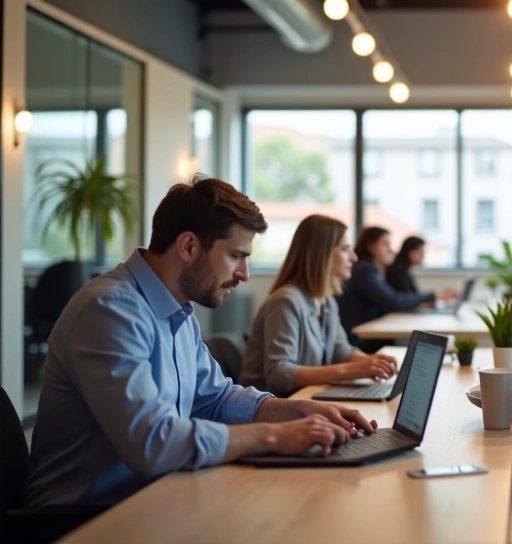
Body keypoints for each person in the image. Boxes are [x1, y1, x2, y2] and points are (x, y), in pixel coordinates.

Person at [24, 177, 377, 507]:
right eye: (236, 256)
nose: (244, 274)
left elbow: (218, 399)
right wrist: (276, 435)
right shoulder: (110, 310)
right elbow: (154, 444)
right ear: (189, 246)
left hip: (156, 498)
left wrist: (299, 410)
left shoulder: (179, 313)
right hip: (88, 519)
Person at [241, 215, 399, 397]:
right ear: (321, 254)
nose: (354, 257)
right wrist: (354, 369)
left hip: (304, 397)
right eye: (345, 249)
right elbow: (279, 373)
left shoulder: (326, 301)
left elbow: (341, 349)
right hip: (272, 407)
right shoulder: (286, 301)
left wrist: (369, 362)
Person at [337, 227, 458, 352]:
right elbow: (393, 300)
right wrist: (434, 295)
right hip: (360, 339)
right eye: (385, 244)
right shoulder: (364, 270)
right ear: (371, 246)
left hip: (369, 333)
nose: (390, 249)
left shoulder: (371, 270)